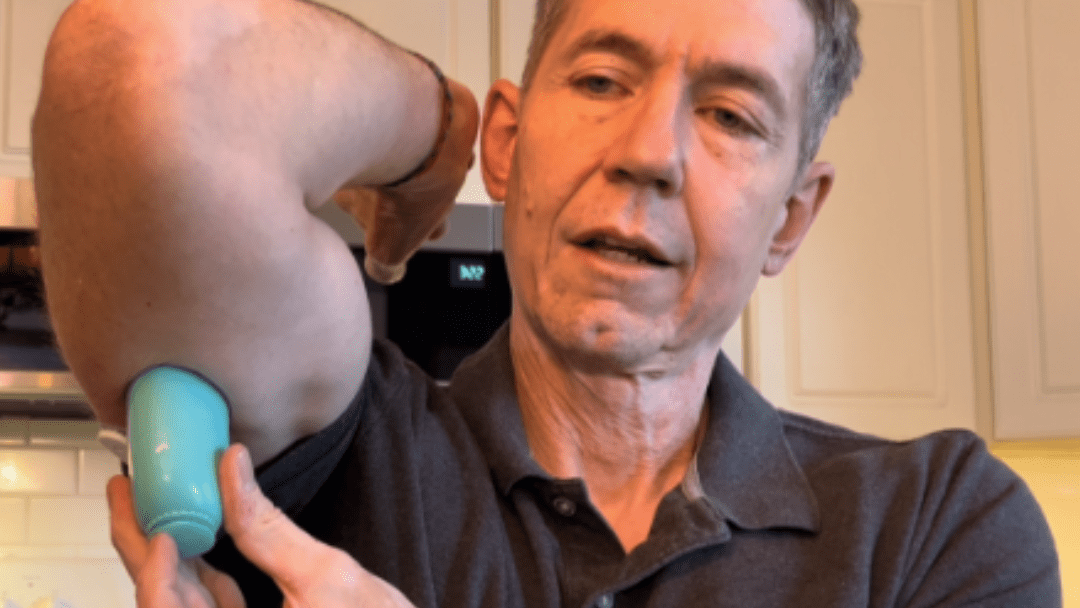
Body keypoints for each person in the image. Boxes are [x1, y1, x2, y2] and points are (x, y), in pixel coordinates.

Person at [33, 0, 1062, 605]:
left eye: (730, 115)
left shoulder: (935, 525)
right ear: (510, 144)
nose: (649, 153)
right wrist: (433, 133)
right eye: (605, 80)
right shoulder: (343, 456)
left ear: (791, 218)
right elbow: (140, 65)